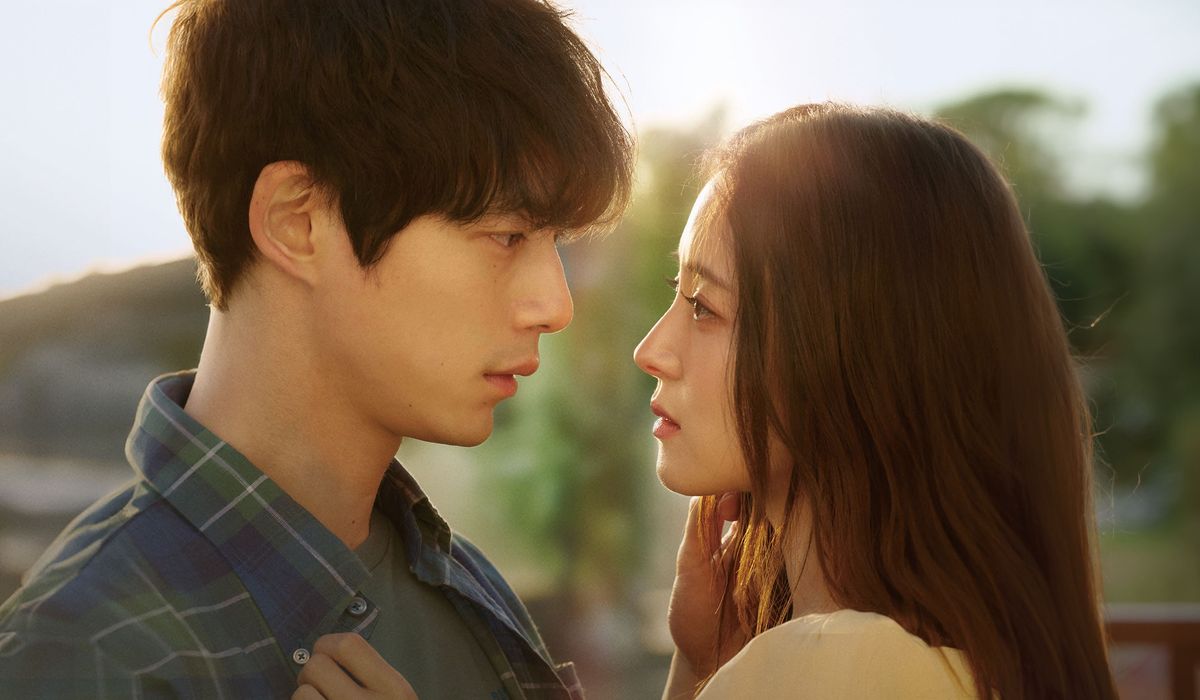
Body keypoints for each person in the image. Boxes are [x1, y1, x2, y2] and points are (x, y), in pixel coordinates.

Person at [0, 0, 632, 698]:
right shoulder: (91, 656)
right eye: (506, 236)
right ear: (297, 222)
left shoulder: (467, 588)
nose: (555, 305)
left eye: (556, 242)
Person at [635, 103, 1119, 699]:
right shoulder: (973, 660)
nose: (651, 351)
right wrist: (704, 660)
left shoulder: (833, 670)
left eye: (704, 306)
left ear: (850, 350)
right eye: (678, 293)